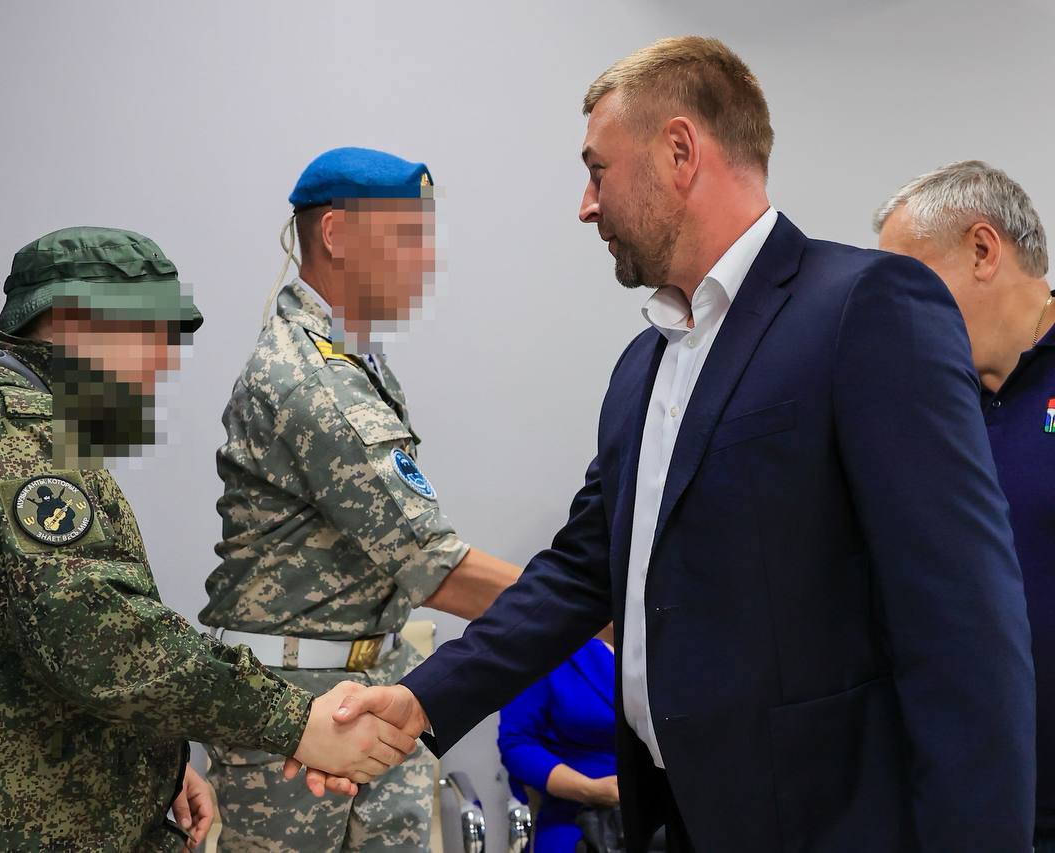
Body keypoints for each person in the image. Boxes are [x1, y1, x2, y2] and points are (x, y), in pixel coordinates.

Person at [322, 37, 1036, 852]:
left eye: (598, 171)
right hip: (676, 820)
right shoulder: (643, 366)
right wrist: (423, 699)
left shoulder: (864, 307)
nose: (585, 205)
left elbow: (964, 623)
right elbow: (581, 571)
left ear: (680, 152)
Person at [0, 226, 410, 852]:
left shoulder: (1, 429)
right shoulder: (6, 439)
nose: (165, 362)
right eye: (152, 334)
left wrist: (150, 763)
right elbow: (98, 636)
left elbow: (32, 654)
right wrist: (296, 722)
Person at [200, 147, 522, 851]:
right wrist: (598, 615)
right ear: (337, 235)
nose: (426, 261)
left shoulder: (356, 361)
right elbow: (433, 566)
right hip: (293, 705)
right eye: (406, 237)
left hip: (377, 678)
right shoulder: (309, 377)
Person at [874, 160, 1055, 852]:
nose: (900, 313)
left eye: (913, 282)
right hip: (971, 810)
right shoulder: (928, 408)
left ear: (983, 249)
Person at [498, 628, 619, 851]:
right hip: (579, 814)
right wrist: (590, 790)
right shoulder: (549, 643)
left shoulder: (671, 639)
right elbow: (517, 743)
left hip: (671, 808)